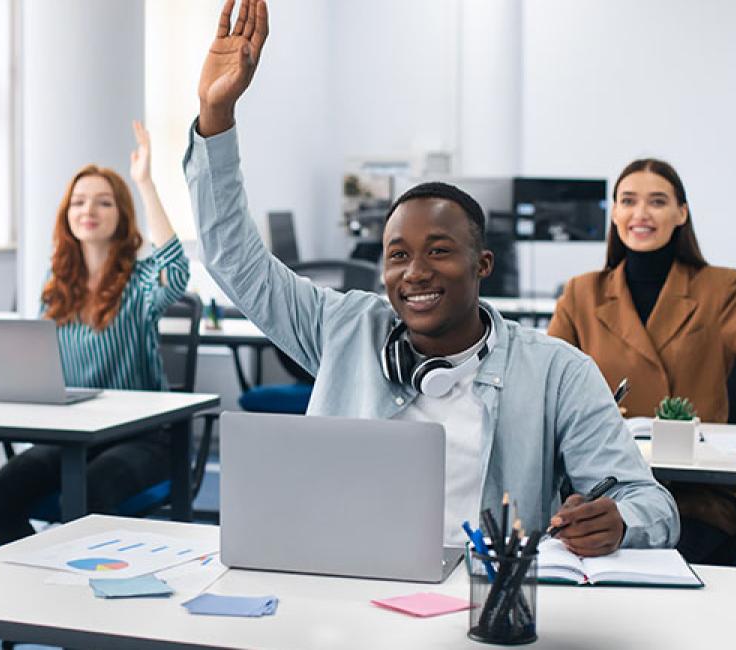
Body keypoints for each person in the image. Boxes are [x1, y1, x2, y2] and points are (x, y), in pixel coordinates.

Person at [185, 0, 678, 555]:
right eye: (398, 255)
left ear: (482, 265)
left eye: (439, 251)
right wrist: (215, 115)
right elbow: (232, 257)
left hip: (482, 599)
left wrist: (618, 522)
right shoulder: (343, 329)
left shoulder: (556, 372)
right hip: (344, 585)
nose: (415, 272)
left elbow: (651, 503)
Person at [548, 160, 736, 565]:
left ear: (681, 214)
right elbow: (545, 388)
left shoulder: (718, 287)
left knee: (657, 566)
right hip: (606, 490)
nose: (641, 213)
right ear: (615, 212)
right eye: (628, 201)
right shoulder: (582, 293)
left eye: (657, 201)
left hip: (699, 498)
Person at [0, 121, 190, 543]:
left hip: (141, 437)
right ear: (67, 215)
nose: (88, 211)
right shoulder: (57, 285)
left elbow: (177, 271)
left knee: (90, 493)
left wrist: (144, 183)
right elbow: (38, 362)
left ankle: (92, 589)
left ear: (122, 215)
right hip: (74, 436)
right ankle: (46, 576)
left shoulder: (141, 281)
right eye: (79, 202)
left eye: (103, 202)